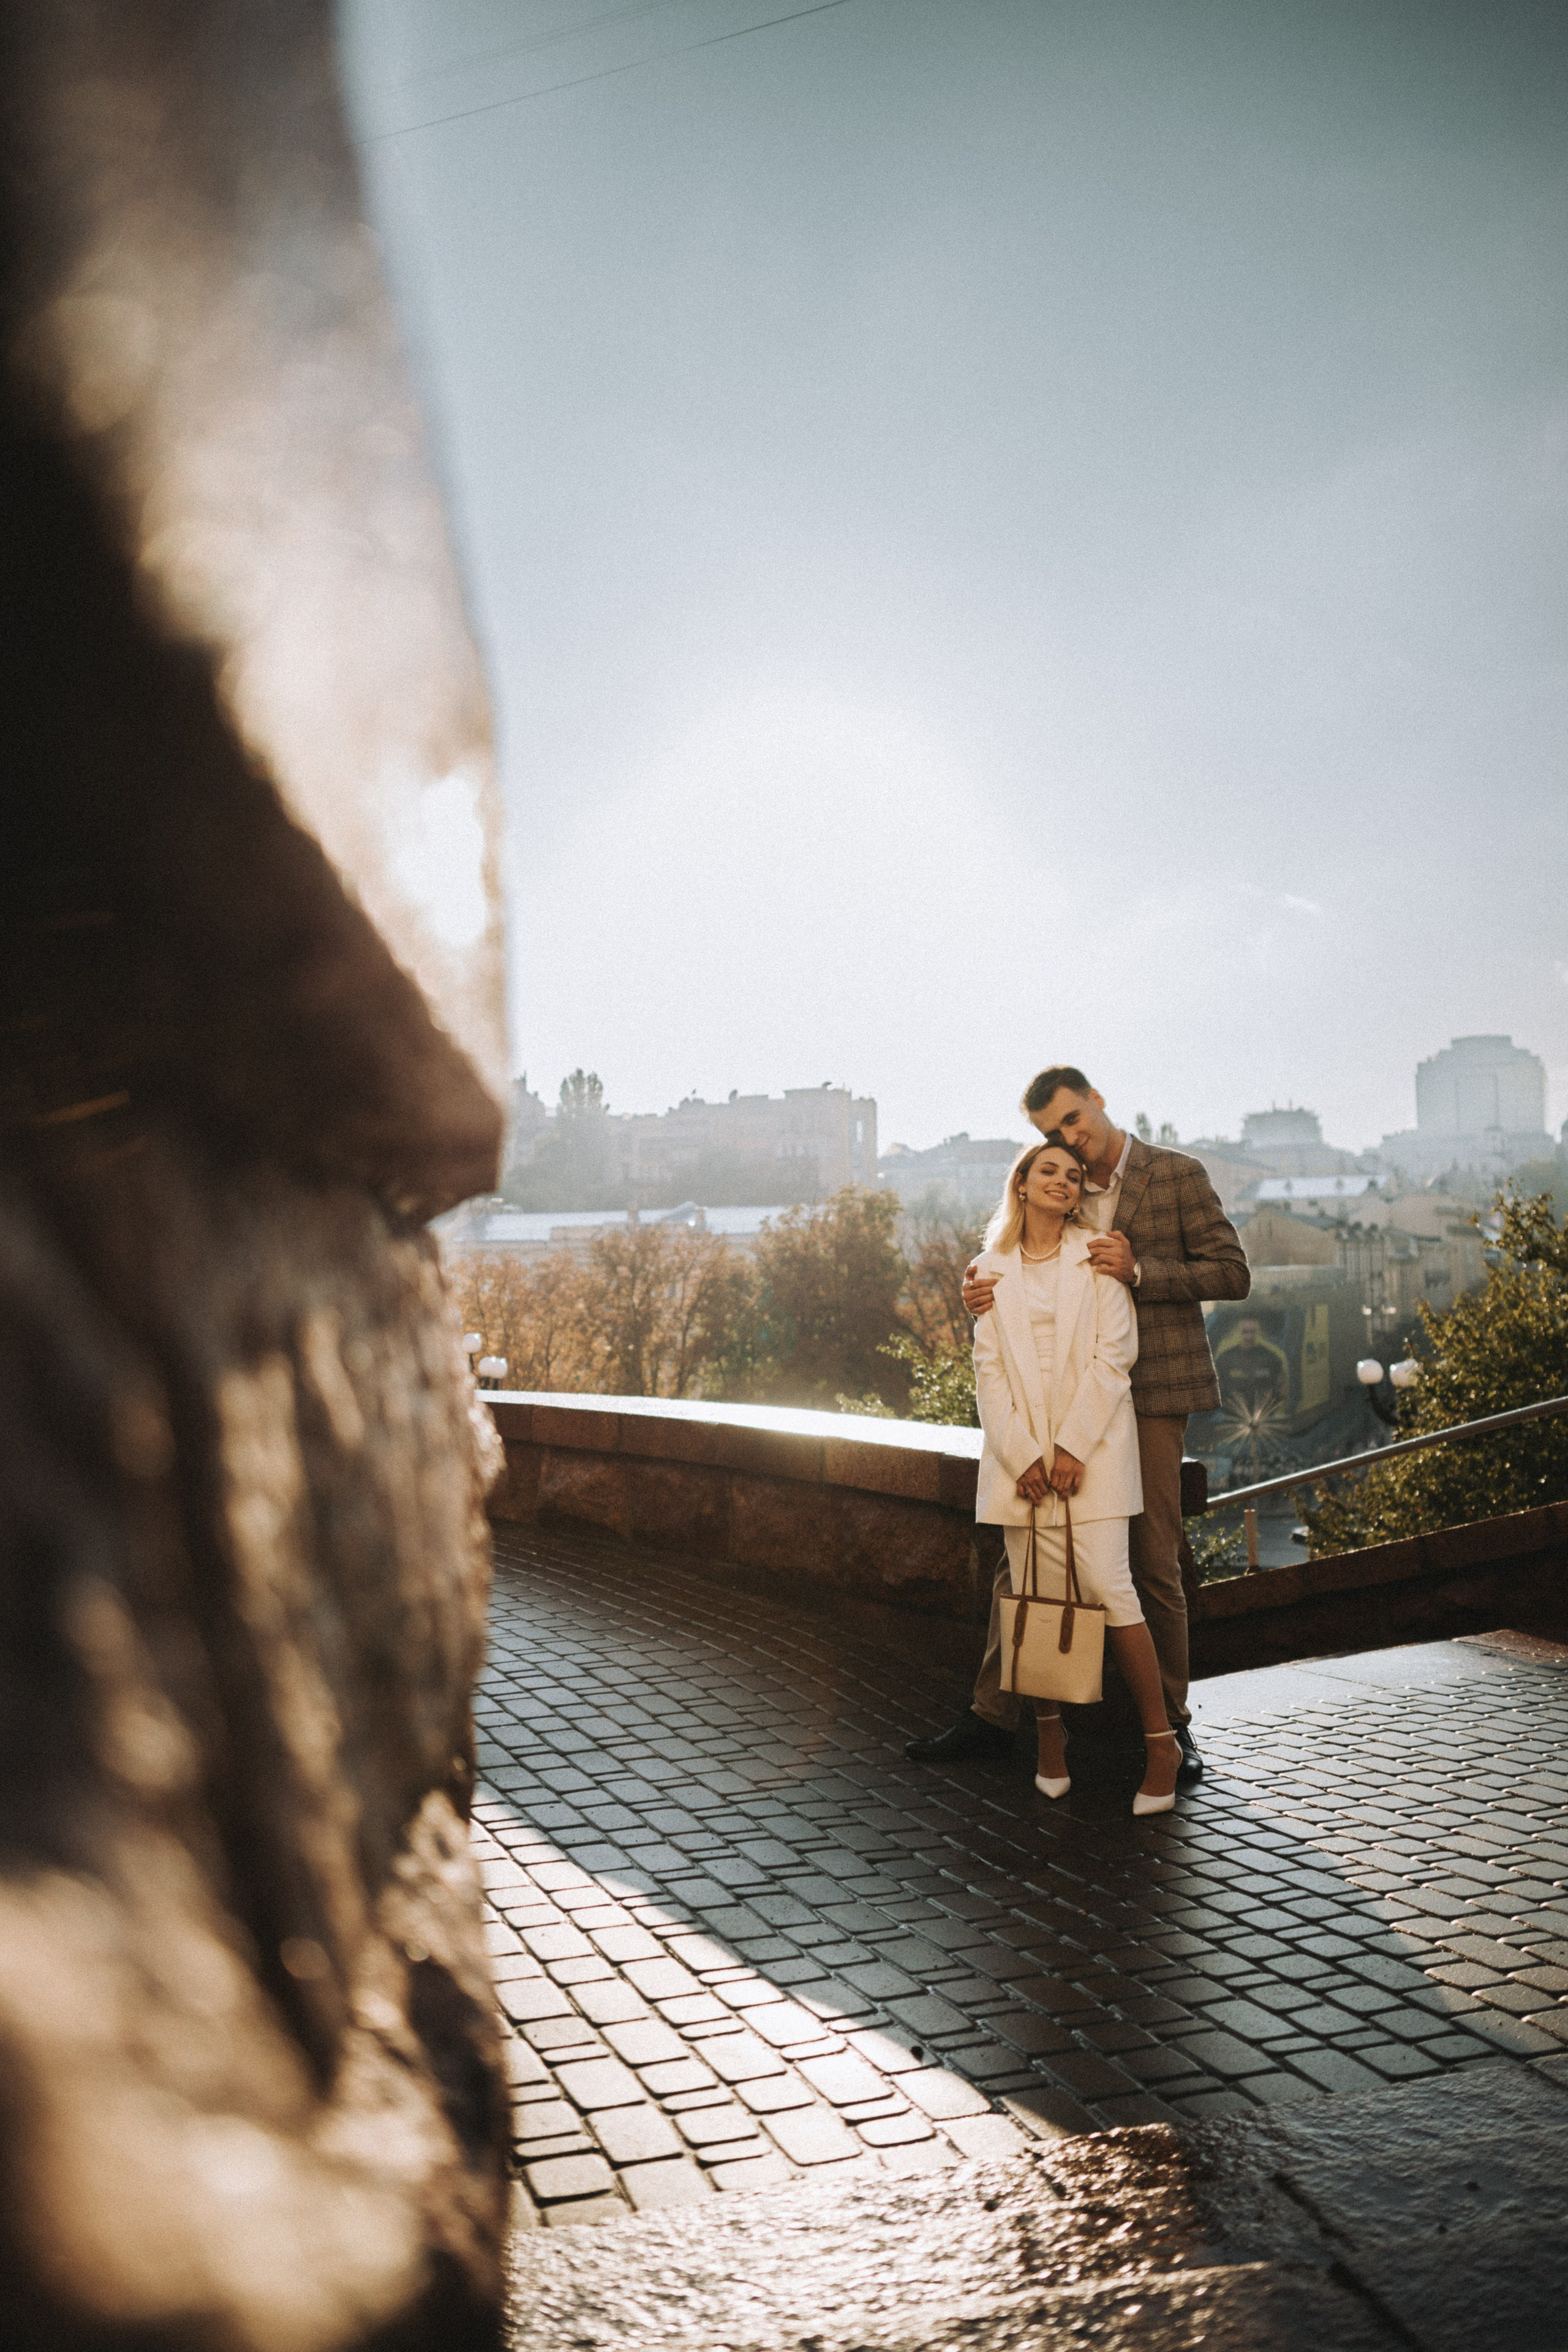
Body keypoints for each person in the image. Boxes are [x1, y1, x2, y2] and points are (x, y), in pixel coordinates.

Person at [907, 1065, 1250, 1780]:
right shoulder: (1068, 1185)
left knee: (1151, 1560)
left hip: (1151, 1391)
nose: (1069, 1139)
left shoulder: (1176, 1173)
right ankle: (995, 1714)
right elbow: (1022, 1269)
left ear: (1096, 1100)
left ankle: (1174, 1726)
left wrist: (1141, 1269)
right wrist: (979, 1286)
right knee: (1022, 1563)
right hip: (1059, 1397)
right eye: (1050, 1136)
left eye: (1072, 1120)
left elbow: (1230, 1273)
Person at [971, 1133, 1180, 1814]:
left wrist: (1069, 1448)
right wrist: (1023, 1455)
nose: (1061, 1180)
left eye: (1072, 1174)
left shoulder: (1095, 1259)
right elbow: (989, 1373)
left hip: (1091, 1459)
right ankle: (1050, 1741)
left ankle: (1160, 1744)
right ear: (1023, 1184)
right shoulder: (988, 1268)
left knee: (1109, 1589)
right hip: (1021, 1465)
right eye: (1047, 1171)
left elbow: (1114, 1356)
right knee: (1036, 1596)